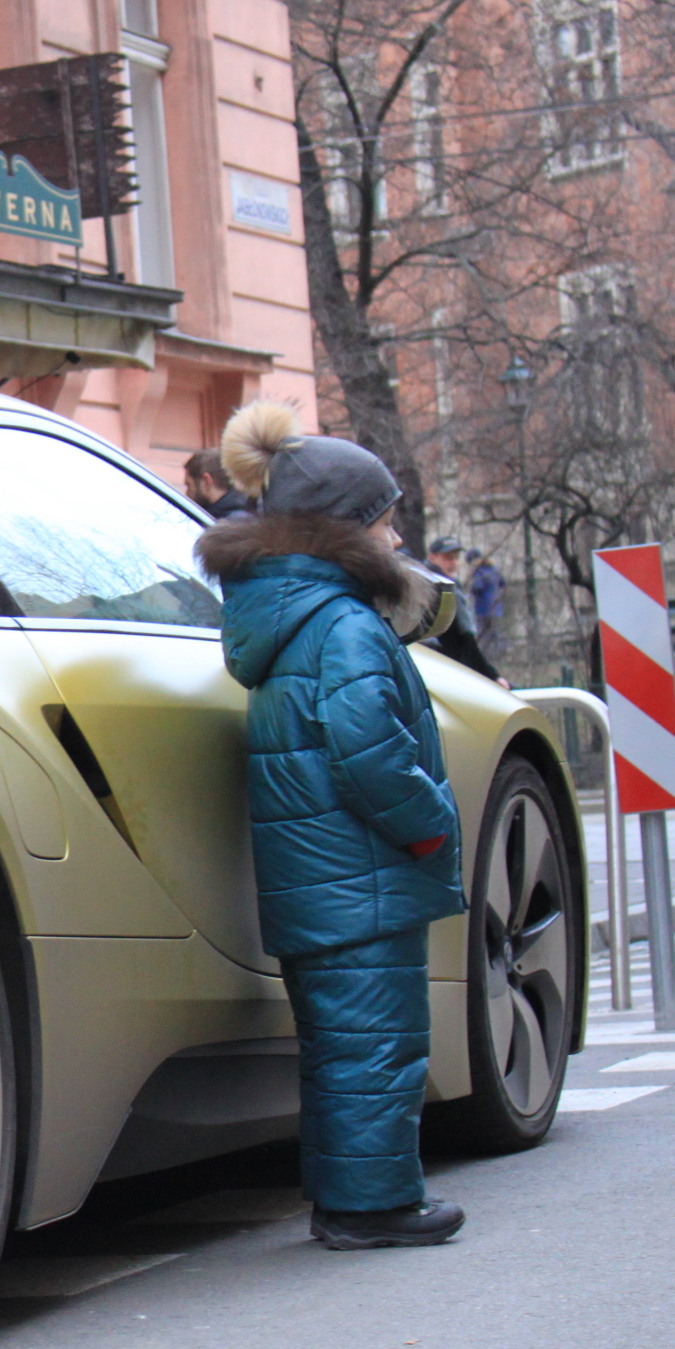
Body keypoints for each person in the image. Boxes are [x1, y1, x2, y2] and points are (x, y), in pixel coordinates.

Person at [195, 401, 468, 1251]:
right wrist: (431, 825)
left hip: (320, 878)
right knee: (379, 1044)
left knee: (343, 1045)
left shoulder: (284, 620)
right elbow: (369, 751)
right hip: (367, 874)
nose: (394, 542)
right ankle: (371, 1206)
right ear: (346, 532)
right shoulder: (346, 624)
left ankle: (347, 1196)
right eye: (385, 526)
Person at [418, 535, 506, 684]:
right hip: (448, 673)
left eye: (455, 558)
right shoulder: (442, 588)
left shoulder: (424, 581)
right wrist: (493, 676)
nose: (453, 563)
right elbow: (465, 640)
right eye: (447, 558)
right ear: (432, 558)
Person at [181, 447, 253, 518]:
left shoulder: (232, 522)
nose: (187, 493)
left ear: (206, 481)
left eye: (189, 485)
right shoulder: (240, 515)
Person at [465, 548, 507, 661]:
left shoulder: (479, 572)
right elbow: (503, 583)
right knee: (494, 632)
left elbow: (477, 587)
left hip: (482, 608)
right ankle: (501, 653)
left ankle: (486, 657)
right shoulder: (493, 570)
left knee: (484, 634)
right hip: (496, 607)